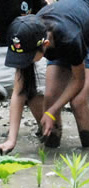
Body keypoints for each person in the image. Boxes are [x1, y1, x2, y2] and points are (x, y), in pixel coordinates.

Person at [4, 0, 89, 149]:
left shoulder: (70, 38)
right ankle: (51, 151)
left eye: (27, 56)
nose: (24, 61)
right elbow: (18, 93)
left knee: (78, 102)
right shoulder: (28, 35)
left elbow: (78, 80)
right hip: (61, 38)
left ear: (45, 45)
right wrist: (11, 140)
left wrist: (53, 111)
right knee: (50, 98)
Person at [0, 0, 48, 155]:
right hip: (6, 49)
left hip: (29, 44)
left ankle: (47, 133)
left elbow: (44, 14)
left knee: (36, 92)